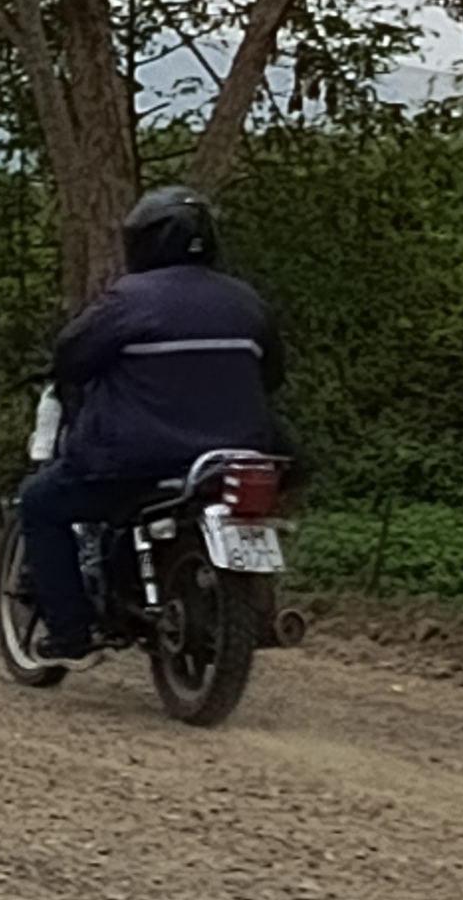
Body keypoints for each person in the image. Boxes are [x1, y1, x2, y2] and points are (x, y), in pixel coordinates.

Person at [18, 185, 286, 661]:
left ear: (143, 241)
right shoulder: (247, 302)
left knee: (40, 503)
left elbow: (72, 357)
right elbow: (272, 377)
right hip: (231, 459)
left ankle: (71, 631)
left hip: (135, 462)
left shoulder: (129, 299)